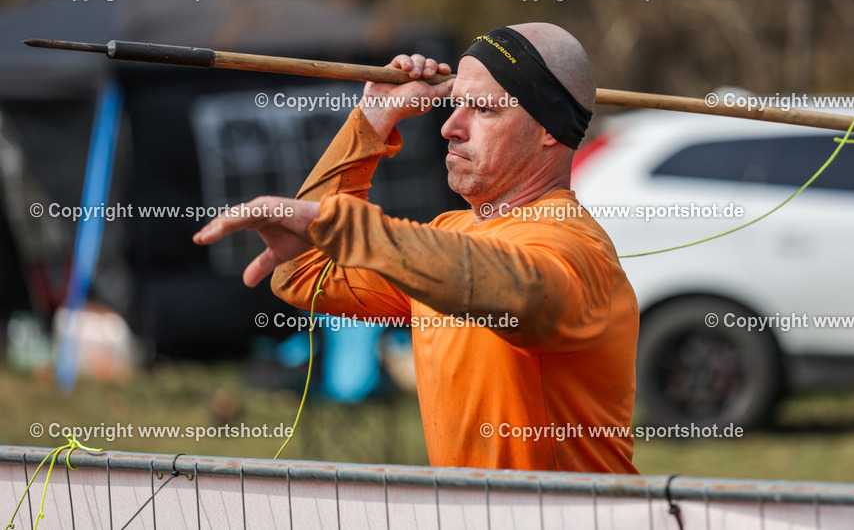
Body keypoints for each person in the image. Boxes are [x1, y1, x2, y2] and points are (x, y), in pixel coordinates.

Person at [194, 23, 639, 473]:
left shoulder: (573, 245)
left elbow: (517, 292)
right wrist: (372, 119)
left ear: (548, 129)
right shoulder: (450, 235)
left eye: (482, 109)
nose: (450, 127)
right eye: (454, 104)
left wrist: (349, 229)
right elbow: (304, 272)